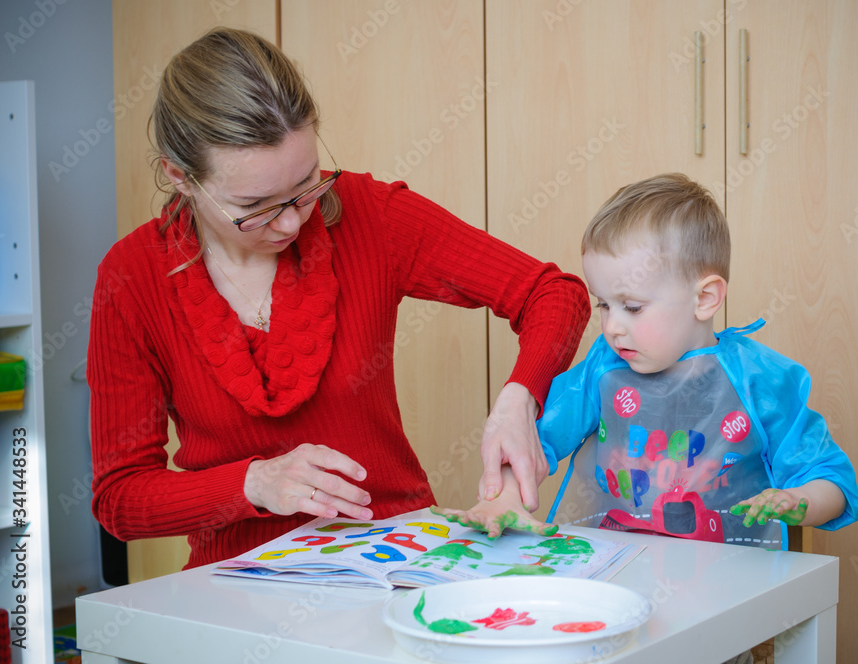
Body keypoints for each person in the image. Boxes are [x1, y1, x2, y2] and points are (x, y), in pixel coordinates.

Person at [87, 27, 589, 570]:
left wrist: (519, 400)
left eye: (306, 185)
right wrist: (254, 482)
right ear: (179, 176)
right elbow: (120, 499)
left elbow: (552, 294)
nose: (290, 222)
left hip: (400, 564)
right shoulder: (131, 277)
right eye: (255, 205)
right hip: (236, 588)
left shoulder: (369, 214)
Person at [435, 173, 858, 552]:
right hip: (618, 573)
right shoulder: (603, 368)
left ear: (705, 298)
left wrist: (798, 501)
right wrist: (505, 494)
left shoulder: (758, 379)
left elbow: (833, 480)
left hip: (729, 591)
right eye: (604, 305)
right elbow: (534, 441)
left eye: (633, 307)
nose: (612, 328)